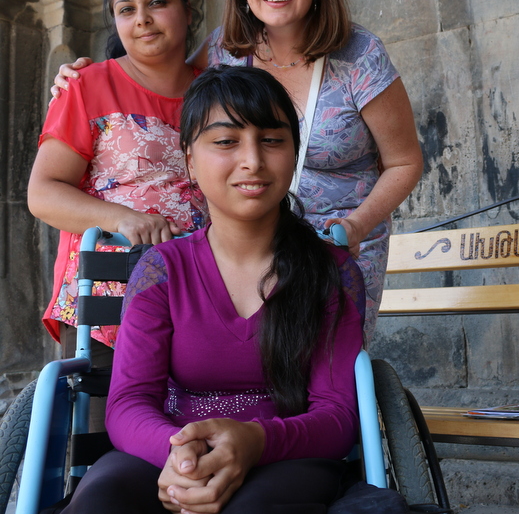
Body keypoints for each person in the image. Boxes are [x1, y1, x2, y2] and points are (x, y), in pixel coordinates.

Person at [52, 0, 424, 343]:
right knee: (244, 366)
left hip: (338, 244)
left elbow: (404, 163)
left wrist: (357, 226)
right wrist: (83, 79)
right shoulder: (227, 48)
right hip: (249, 245)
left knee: (324, 364)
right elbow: (165, 86)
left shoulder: (359, 56)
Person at [54, 65, 365, 514]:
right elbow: (129, 402)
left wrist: (255, 442)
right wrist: (181, 456)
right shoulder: (161, 270)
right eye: (225, 141)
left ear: (294, 154)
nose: (253, 161)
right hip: (168, 451)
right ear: (190, 162)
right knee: (99, 501)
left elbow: (336, 415)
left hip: (288, 455)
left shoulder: (330, 272)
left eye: (272, 140)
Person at [29, 0, 206, 355]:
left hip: (204, 293)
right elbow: (42, 193)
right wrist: (125, 219)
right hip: (109, 299)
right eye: (126, 9)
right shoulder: (87, 86)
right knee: (104, 417)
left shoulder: (217, 92)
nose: (142, 18)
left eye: (158, 2)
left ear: (188, 11)